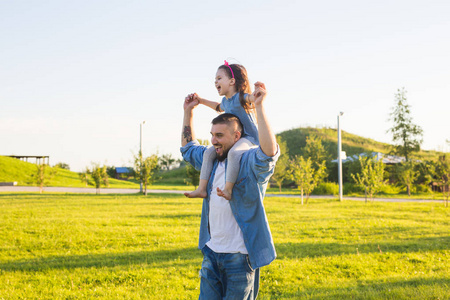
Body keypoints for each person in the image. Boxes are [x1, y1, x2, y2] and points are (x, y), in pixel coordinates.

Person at [180, 81, 279, 299]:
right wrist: (188, 112)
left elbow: (268, 155)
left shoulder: (247, 161)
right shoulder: (213, 159)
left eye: (220, 136)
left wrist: (260, 107)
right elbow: (188, 149)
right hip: (211, 253)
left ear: (236, 137)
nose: (213, 141)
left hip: (240, 259)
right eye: (212, 135)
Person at [184, 61, 258, 201]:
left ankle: (228, 190)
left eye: (219, 78)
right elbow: (218, 107)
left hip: (249, 138)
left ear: (231, 81)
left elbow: (252, 98)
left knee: (234, 153)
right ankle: (201, 189)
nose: (215, 82)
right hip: (236, 138)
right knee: (208, 153)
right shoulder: (226, 101)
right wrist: (200, 100)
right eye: (215, 80)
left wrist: (257, 95)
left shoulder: (240, 97)